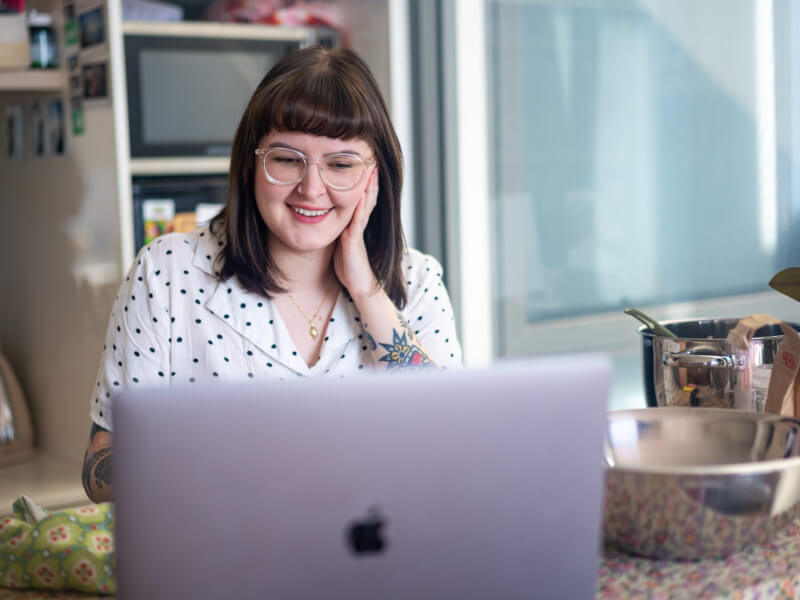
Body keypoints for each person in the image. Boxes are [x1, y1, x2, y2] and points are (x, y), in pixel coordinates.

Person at [82, 46, 463, 503]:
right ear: (252, 161)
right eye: (286, 159)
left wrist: (367, 290)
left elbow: (448, 444)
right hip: (217, 554)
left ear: (374, 176)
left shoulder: (417, 280)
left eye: (341, 164)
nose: (312, 188)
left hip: (372, 556)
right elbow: (99, 469)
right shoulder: (166, 271)